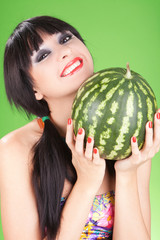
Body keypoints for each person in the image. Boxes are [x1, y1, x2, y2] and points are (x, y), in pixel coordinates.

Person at [0, 15, 160, 240]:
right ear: (33, 88)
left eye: (65, 38)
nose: (64, 51)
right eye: (43, 55)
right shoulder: (14, 150)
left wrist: (127, 172)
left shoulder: (131, 131)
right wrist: (86, 183)